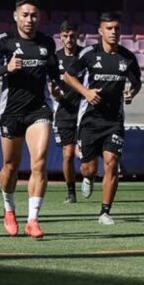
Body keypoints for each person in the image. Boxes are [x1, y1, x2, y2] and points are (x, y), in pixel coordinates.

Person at [0, 0, 59, 239]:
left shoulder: (46, 43)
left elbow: (54, 73)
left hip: (39, 110)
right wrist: (7, 68)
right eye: (25, 15)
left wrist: (57, 86)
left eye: (34, 15)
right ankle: (9, 210)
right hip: (12, 111)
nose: (29, 19)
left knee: (39, 163)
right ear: (16, 16)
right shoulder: (5, 42)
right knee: (10, 167)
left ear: (39, 17)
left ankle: (33, 219)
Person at [62, 12, 141, 224]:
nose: (114, 32)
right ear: (100, 31)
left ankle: (105, 212)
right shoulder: (89, 54)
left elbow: (137, 83)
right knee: (89, 168)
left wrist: (131, 93)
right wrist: (86, 92)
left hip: (114, 120)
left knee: (111, 162)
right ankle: (87, 178)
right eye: (109, 28)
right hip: (89, 120)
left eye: (116, 28)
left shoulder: (127, 57)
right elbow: (68, 76)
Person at [51, 21, 82, 204]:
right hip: (63, 111)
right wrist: (54, 91)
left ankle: (88, 176)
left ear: (78, 35)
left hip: (84, 111)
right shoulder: (55, 58)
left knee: (84, 156)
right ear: (60, 37)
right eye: (65, 36)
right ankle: (71, 191)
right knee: (68, 154)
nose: (69, 39)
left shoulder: (84, 55)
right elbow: (50, 82)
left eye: (72, 36)